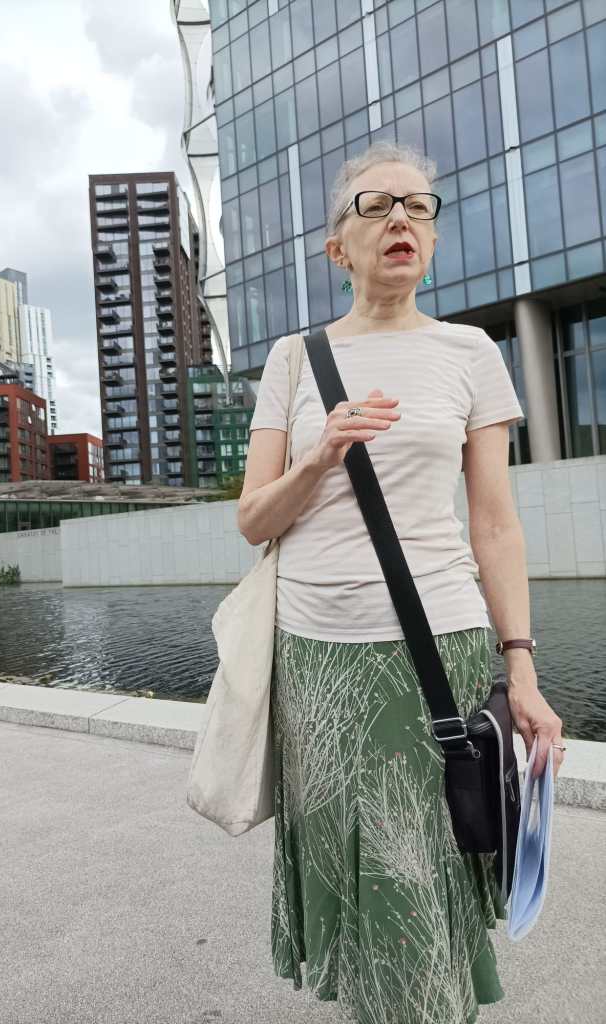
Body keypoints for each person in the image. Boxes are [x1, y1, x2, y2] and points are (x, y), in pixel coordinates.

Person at [237, 140, 566, 1024]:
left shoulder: (469, 353)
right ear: (336, 246)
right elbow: (253, 519)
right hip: (319, 658)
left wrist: (523, 671)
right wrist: (321, 455)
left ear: (432, 238)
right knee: (366, 871)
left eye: (418, 207)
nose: (400, 221)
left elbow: (495, 523)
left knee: (421, 870)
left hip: (440, 650)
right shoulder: (295, 360)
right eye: (377, 206)